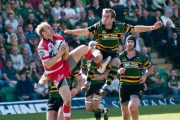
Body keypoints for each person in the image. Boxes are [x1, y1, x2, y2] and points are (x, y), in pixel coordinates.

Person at [64, 8, 162, 95]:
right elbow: (85, 31)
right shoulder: (98, 26)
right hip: (100, 50)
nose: (104, 18)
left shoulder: (120, 26)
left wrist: (152, 27)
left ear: (112, 19)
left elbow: (135, 28)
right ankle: (88, 82)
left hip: (112, 53)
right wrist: (73, 32)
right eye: (103, 16)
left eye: (107, 17)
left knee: (117, 62)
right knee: (98, 57)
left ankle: (105, 86)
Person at [35, 22, 95, 120]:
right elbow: (48, 65)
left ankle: (97, 64)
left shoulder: (59, 38)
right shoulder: (42, 46)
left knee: (83, 48)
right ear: (44, 34)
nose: (51, 28)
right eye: (48, 28)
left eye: (50, 26)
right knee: (66, 101)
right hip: (55, 78)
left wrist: (66, 52)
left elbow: (66, 57)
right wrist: (58, 54)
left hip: (64, 65)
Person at [118, 35, 152, 120]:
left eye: (132, 42)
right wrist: (118, 71)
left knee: (132, 108)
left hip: (137, 85)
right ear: (125, 43)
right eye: (128, 42)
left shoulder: (141, 56)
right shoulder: (120, 56)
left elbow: (150, 68)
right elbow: (113, 70)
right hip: (124, 86)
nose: (130, 44)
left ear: (134, 43)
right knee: (125, 115)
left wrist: (144, 75)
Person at [81, 41, 109, 120]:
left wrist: (101, 76)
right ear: (88, 47)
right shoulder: (85, 59)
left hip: (99, 83)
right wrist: (85, 77)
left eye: (94, 46)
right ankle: (104, 111)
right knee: (89, 108)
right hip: (89, 84)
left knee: (95, 104)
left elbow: (110, 72)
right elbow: (81, 71)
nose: (93, 47)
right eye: (91, 45)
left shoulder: (102, 58)